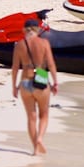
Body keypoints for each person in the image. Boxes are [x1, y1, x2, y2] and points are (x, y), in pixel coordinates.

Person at [11, 18, 59, 155]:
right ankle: (40, 138)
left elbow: (15, 68)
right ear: (38, 30)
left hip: (25, 81)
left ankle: (35, 149)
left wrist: (14, 86)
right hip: (41, 78)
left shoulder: (19, 45)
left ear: (24, 30)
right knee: (44, 115)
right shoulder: (44, 43)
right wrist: (55, 82)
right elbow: (50, 64)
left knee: (31, 117)